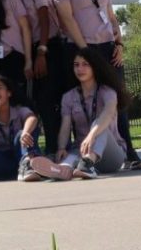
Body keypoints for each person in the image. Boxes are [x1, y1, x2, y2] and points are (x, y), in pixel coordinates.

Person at [53, 0, 141, 170]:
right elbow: (67, 19)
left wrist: (119, 43)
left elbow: (111, 17)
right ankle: (81, 155)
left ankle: (129, 153)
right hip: (82, 49)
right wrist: (85, 51)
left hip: (107, 46)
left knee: (117, 100)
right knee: (82, 100)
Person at [55, 47, 130, 178]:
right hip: (81, 150)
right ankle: (63, 169)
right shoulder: (68, 97)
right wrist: (61, 147)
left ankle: (87, 164)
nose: (80, 69)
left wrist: (92, 135)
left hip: (111, 156)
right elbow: (65, 126)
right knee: (66, 162)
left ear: (94, 67)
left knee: (101, 127)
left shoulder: (108, 92)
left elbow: (108, 114)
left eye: (85, 64)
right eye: (76, 65)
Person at [31, 0, 64, 155]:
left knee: (63, 99)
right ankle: (52, 144)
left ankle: (64, 145)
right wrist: (41, 51)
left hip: (61, 45)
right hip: (43, 45)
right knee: (45, 99)